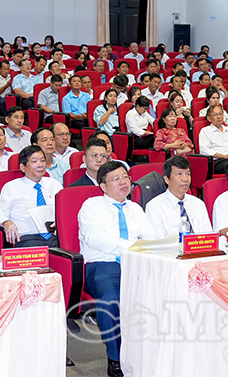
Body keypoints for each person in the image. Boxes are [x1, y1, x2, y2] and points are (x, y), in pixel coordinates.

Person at [78, 161, 158, 377]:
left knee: (160, 289)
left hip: (136, 262)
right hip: (102, 264)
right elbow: (95, 238)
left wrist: (152, 246)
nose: (123, 182)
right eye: (116, 179)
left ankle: (150, 353)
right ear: (103, 186)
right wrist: (131, 247)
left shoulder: (135, 208)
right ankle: (115, 358)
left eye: (125, 177)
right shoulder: (92, 206)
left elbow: (150, 234)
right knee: (111, 297)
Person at [0, 145, 62, 249]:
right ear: (22, 167)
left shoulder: (54, 184)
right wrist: (6, 222)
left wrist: (60, 223)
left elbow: (66, 211)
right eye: (34, 161)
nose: (40, 165)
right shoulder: (12, 187)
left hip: (54, 235)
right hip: (27, 237)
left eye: (42, 160)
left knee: (70, 254)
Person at [145, 156, 213, 238]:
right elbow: (158, 242)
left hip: (199, 245)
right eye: (179, 174)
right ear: (167, 179)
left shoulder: (198, 204)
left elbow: (209, 236)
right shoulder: (155, 206)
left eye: (188, 174)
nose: (185, 179)